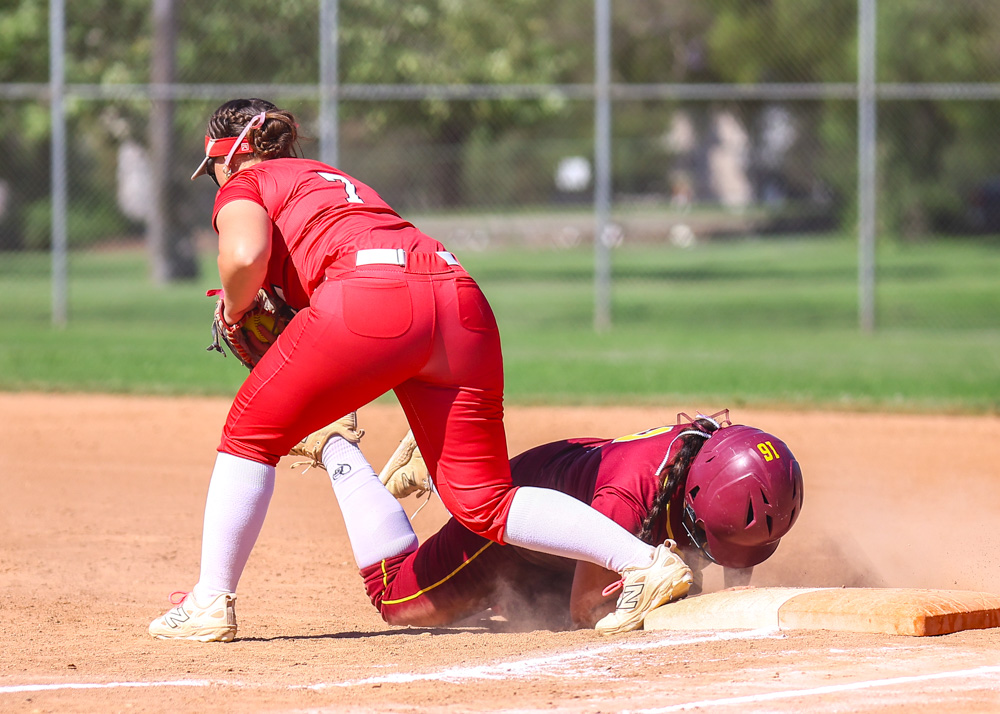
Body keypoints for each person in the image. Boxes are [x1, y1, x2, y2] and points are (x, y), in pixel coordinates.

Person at [149, 98, 693, 642]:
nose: (216, 181)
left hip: (370, 299)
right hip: (458, 296)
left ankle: (210, 600)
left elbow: (244, 257)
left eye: (214, 169)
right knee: (484, 500)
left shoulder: (246, 180)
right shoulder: (332, 178)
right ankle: (643, 564)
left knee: (248, 435)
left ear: (231, 154)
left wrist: (235, 309)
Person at [324, 410, 803, 630]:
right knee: (396, 600)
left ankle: (439, 465)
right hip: (516, 527)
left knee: (529, 608)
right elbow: (585, 611)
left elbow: (742, 531)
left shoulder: (721, 455)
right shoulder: (626, 502)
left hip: (577, 495)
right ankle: (334, 444)